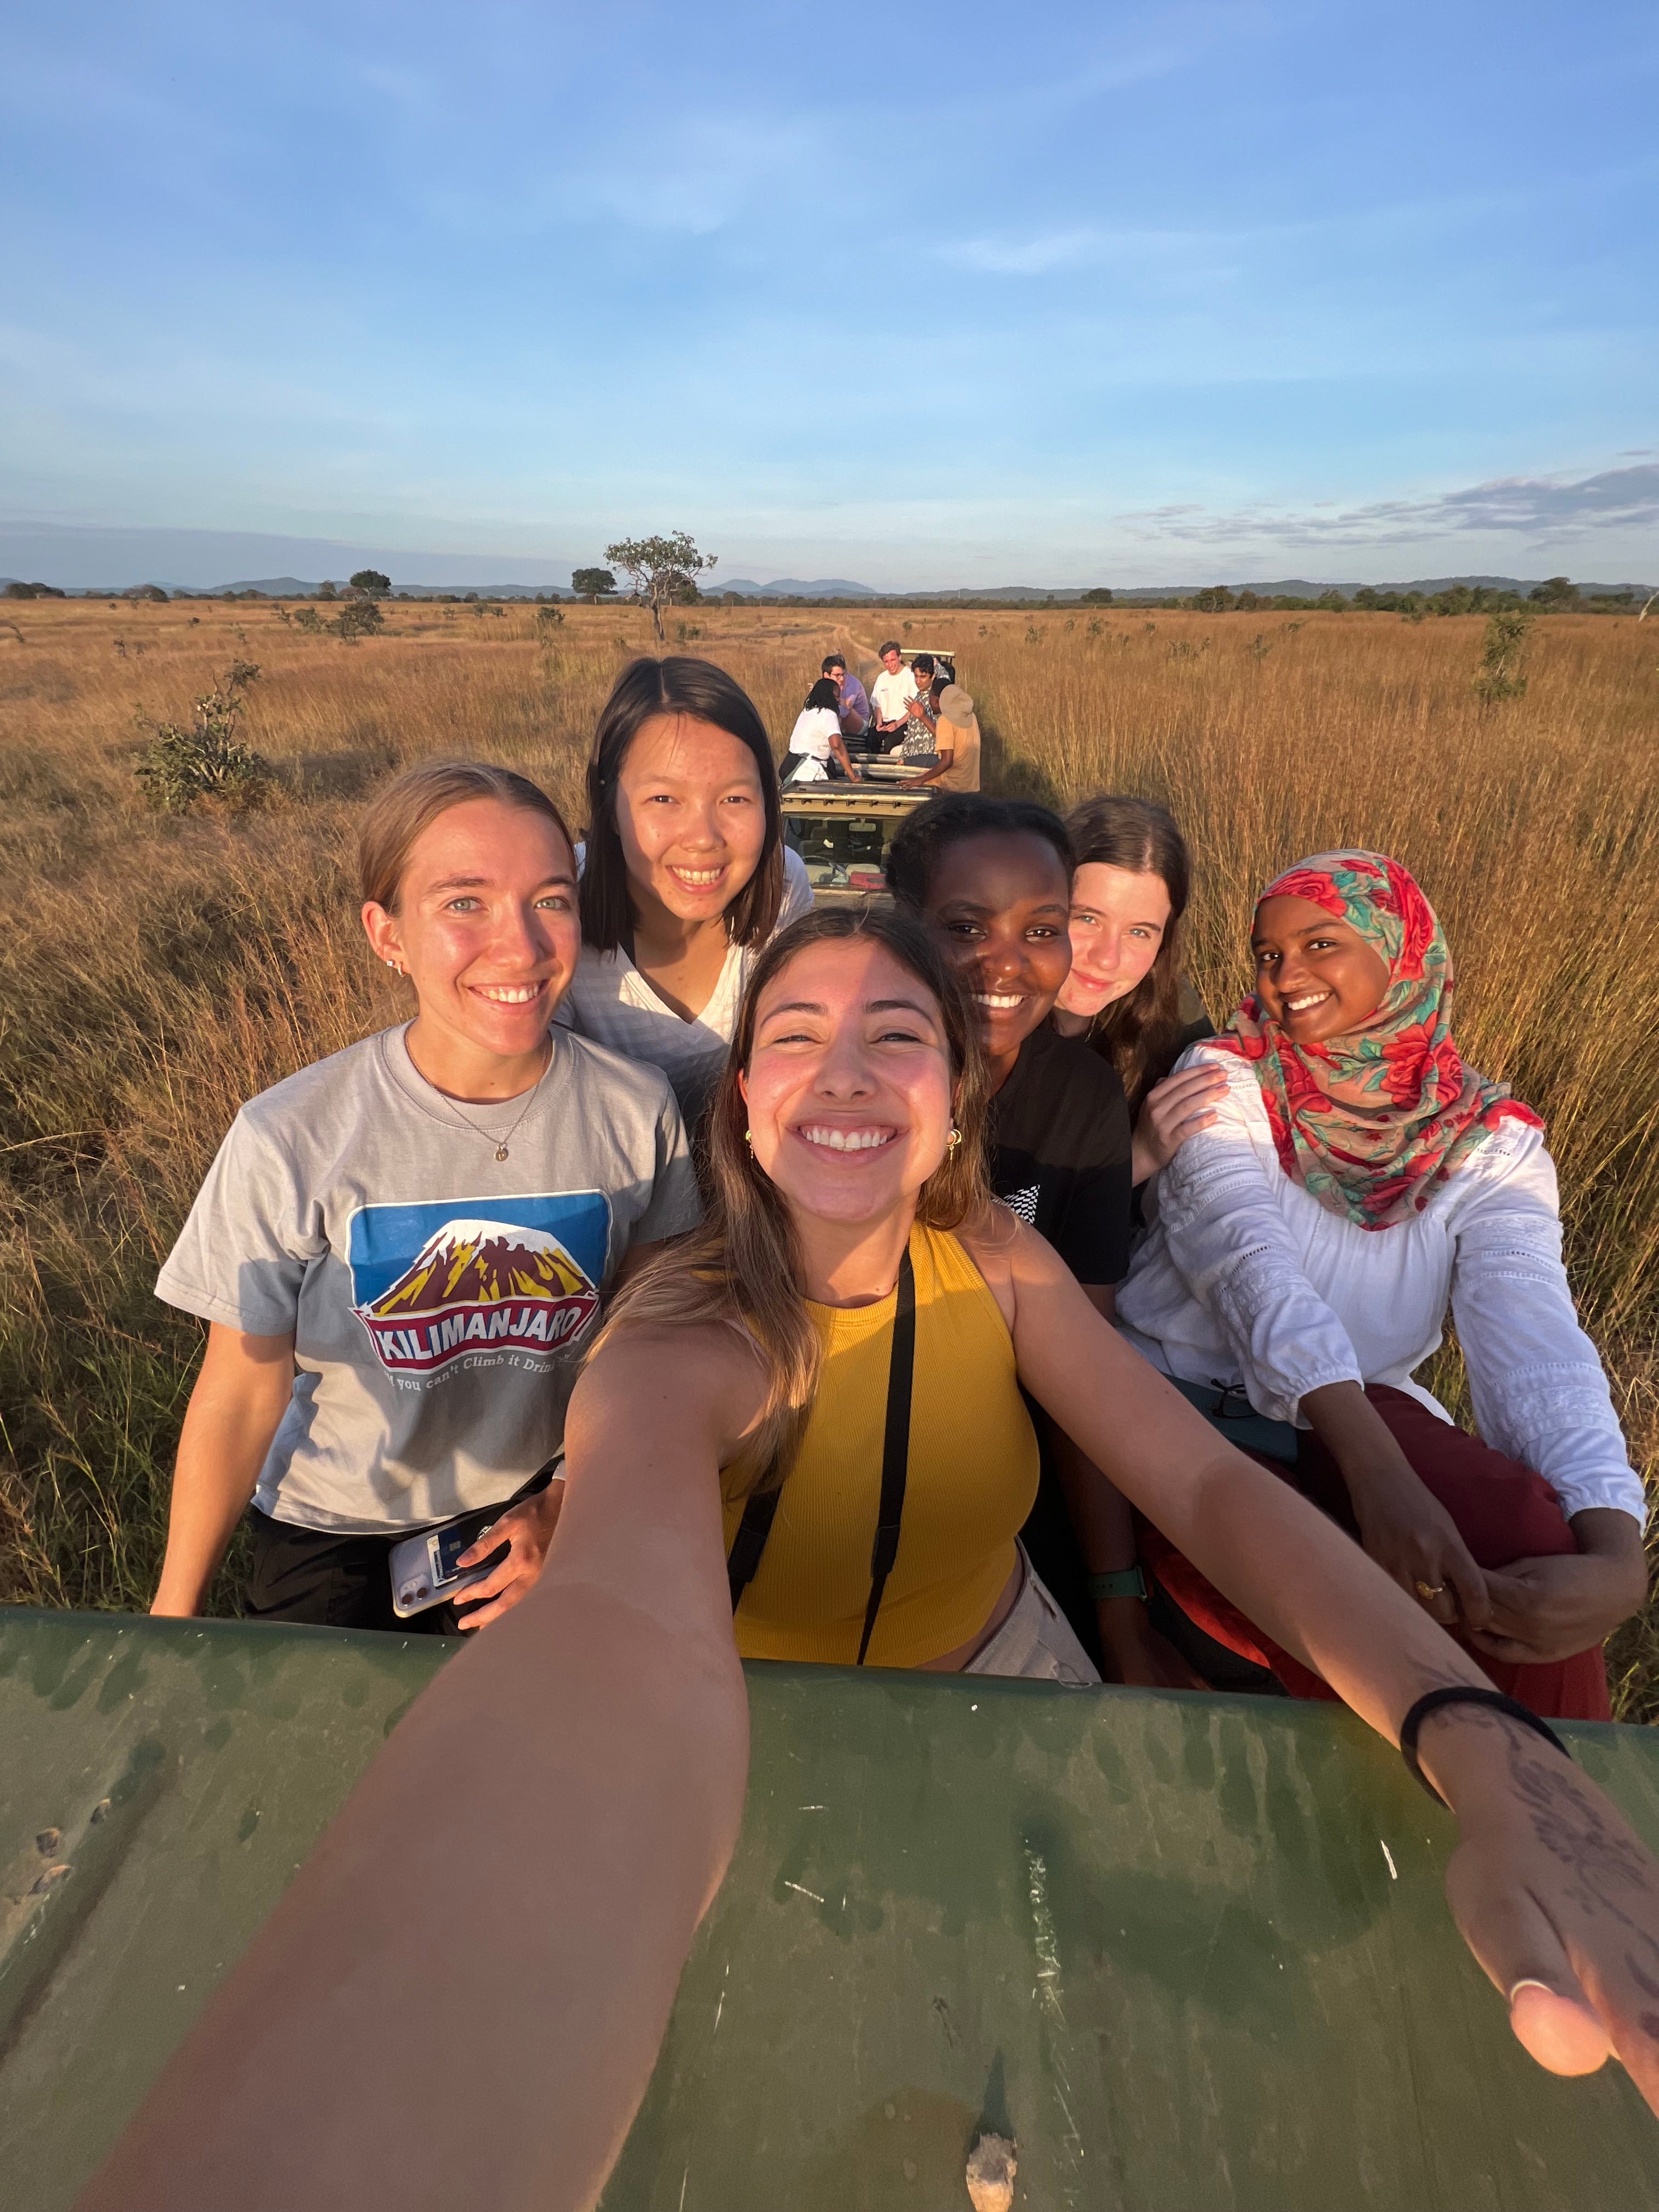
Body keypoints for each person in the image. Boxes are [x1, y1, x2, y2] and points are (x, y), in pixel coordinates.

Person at [84, 904, 1659, 2212]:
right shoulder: (686, 1322)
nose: (846, 1075)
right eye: (795, 1037)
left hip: (1004, 1675)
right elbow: (621, 1626)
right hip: (747, 1728)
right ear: (745, 1105)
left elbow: (1208, 1489)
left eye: (898, 1035)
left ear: (959, 1099)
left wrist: (1487, 1743)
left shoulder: (997, 1259)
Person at [148, 761, 701, 1635]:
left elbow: (647, 1336)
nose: (519, 947)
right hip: (330, 1524)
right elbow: (241, 1389)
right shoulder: (292, 1133)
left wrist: (573, 1496)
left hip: (532, 1510)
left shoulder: (634, 1111)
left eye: (551, 900)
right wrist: (169, 1622)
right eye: (464, 903)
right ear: (387, 932)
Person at [1118, 849, 1649, 1718]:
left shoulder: (1490, 1141)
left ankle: (1568, 1828)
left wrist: (1617, 1558)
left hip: (1361, 1415)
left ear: (1400, 951)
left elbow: (1536, 1342)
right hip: (1190, 1406)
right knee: (1345, 1609)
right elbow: (1247, 1263)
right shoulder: (1224, 1079)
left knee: (1529, 1548)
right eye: (1269, 954)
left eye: (1322, 944)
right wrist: (1380, 1477)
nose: (1288, 978)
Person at [885, 796, 1136, 1671]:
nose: (1008, 964)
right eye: (967, 925)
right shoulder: (843, 1089)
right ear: (904, 924)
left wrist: (1118, 1603)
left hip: (1009, 1491)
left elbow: (1090, 1373)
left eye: (1043, 930)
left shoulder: (1081, 1100)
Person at [556, 655, 815, 1126]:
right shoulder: (559, 902)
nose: (702, 838)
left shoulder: (784, 890)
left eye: (735, 798)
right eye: (664, 799)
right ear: (609, 806)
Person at [1049, 794, 1222, 1189]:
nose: (1107, 959)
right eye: (1087, 918)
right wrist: (1142, 1155)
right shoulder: (984, 1017)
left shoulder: (1174, 1012)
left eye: (1139, 932)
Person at [782, 675, 861, 786]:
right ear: (830, 696)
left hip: (792, 766)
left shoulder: (807, 711)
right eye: (837, 697)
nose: (838, 701)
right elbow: (837, 746)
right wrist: (853, 777)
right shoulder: (828, 714)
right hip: (810, 771)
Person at [913, 678, 981, 792]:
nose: (929, 702)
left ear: (936, 700)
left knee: (910, 781)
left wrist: (920, 780)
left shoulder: (945, 720)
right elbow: (944, 737)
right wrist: (922, 717)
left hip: (953, 784)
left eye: (930, 698)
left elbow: (947, 761)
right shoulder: (971, 716)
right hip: (971, 785)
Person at [887, 650, 939, 766]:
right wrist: (904, 757)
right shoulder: (918, 697)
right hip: (913, 756)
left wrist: (923, 717)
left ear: (933, 676)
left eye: (923, 677)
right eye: (916, 676)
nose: (918, 681)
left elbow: (940, 734)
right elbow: (912, 732)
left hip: (928, 759)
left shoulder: (937, 698)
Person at [869, 638, 918, 746]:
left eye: (893, 660)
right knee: (871, 739)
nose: (890, 665)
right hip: (885, 723)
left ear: (899, 657)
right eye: (886, 662)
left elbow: (914, 707)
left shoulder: (910, 676)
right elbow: (878, 706)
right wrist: (879, 723)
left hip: (904, 724)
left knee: (890, 742)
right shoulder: (881, 678)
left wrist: (897, 724)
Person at [823, 651, 869, 737]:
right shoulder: (831, 683)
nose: (841, 678)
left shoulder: (853, 683)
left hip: (860, 722)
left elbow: (846, 710)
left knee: (842, 710)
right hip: (841, 716)